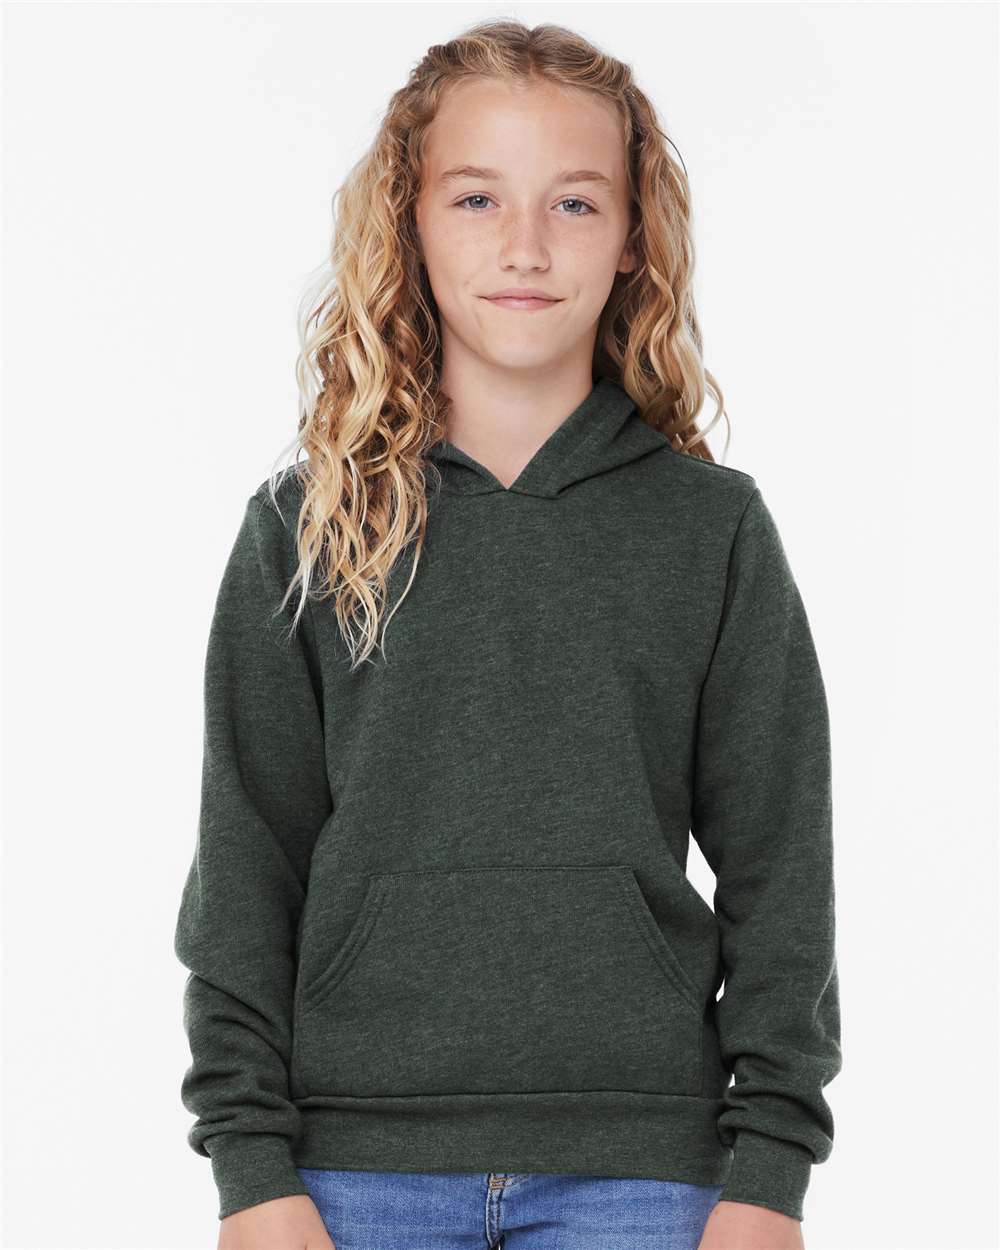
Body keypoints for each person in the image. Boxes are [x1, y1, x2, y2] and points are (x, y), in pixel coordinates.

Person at [173, 18, 841, 1250]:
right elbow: (245, 863)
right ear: (410, 221)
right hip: (348, 1169)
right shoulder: (307, 525)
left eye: (574, 203)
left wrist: (770, 1170)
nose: (524, 246)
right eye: (477, 197)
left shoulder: (711, 530)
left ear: (632, 237)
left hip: (645, 1172)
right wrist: (250, 1166)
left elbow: (781, 871)